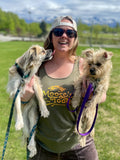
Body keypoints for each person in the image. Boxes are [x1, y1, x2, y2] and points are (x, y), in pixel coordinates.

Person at [22, 16, 106, 160]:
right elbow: (20, 98)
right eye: (59, 32)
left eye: (70, 33)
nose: (64, 36)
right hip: (42, 147)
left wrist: (91, 96)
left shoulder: (84, 65)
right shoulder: (37, 66)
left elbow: (102, 94)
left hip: (79, 145)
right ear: (51, 36)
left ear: (75, 38)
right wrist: (24, 98)